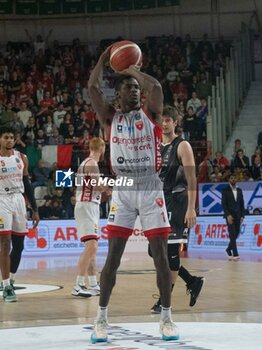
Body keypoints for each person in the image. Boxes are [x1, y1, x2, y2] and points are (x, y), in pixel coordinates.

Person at [88, 46, 182, 343]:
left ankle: (166, 317)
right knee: (113, 257)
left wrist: (130, 69)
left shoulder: (151, 113)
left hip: (150, 185)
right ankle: (101, 317)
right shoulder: (108, 117)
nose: (134, 92)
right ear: (117, 96)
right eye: (128, 89)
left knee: (160, 257)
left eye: (135, 89)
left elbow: (153, 86)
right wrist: (106, 59)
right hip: (124, 188)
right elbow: (92, 87)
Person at [149, 106, 204, 314]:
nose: (164, 124)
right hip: (160, 203)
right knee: (154, 251)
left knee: (170, 251)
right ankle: (192, 281)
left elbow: (192, 179)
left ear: (175, 122)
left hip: (177, 202)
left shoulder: (183, 146)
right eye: (161, 120)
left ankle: (165, 301)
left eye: (168, 120)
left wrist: (191, 208)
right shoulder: (157, 146)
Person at [0, 127, 39, 302]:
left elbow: (27, 184)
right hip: (2, 200)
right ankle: (7, 285)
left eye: (12, 138)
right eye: (6, 137)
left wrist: (35, 209)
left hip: (19, 201)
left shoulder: (21, 158)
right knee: (4, 242)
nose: (9, 140)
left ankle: (11, 279)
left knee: (20, 245)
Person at [72, 137, 109, 298]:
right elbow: (99, 186)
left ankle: (93, 284)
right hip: (87, 205)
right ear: (102, 148)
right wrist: (111, 186)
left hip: (88, 205)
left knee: (92, 247)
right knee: (91, 247)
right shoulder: (92, 164)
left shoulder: (85, 163)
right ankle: (78, 285)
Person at [222, 174, 245, 260]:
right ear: (229, 180)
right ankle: (235, 254)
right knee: (232, 234)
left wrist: (242, 215)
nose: (233, 179)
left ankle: (228, 249)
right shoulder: (225, 191)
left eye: (234, 177)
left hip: (238, 215)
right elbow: (224, 204)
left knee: (237, 233)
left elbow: (242, 204)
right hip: (230, 216)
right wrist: (228, 215)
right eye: (231, 178)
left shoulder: (239, 190)